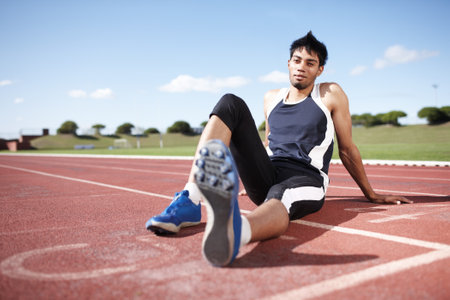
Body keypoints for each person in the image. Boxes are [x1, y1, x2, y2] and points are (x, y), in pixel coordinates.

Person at [145, 31, 412, 267]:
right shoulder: (271, 98)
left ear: (320, 70)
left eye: (310, 63)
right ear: (288, 63)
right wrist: (245, 177)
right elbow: (268, 144)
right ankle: (191, 199)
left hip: (305, 176)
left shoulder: (330, 93)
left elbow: (347, 148)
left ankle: (236, 231)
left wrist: (371, 194)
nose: (301, 67)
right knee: (230, 103)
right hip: (268, 172)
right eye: (297, 61)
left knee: (282, 195)